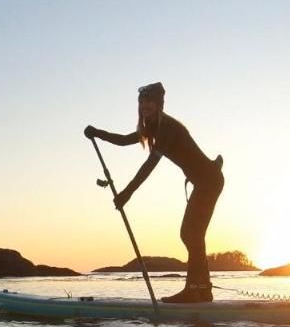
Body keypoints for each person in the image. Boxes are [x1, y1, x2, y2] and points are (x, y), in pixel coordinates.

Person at [85, 82, 224, 303]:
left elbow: (149, 165)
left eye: (149, 101)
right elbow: (124, 140)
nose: (144, 105)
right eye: (141, 102)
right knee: (192, 235)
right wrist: (97, 133)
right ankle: (202, 289)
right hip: (205, 181)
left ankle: (194, 290)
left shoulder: (167, 128)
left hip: (209, 181)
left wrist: (127, 193)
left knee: (190, 234)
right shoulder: (152, 127)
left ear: (159, 104)